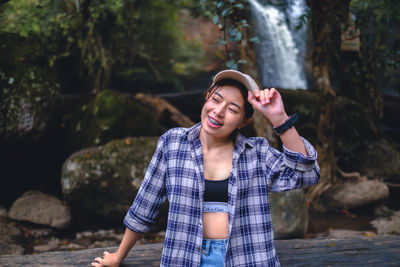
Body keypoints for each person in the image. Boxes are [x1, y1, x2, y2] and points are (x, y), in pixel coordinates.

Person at [91, 70, 320, 267]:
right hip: (186, 258)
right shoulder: (172, 143)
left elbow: (306, 174)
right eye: (216, 99)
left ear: (243, 121)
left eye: (232, 109)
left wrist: (279, 118)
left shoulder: (256, 153)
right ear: (206, 97)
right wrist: (118, 256)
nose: (218, 111)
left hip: (247, 258)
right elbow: (145, 205)